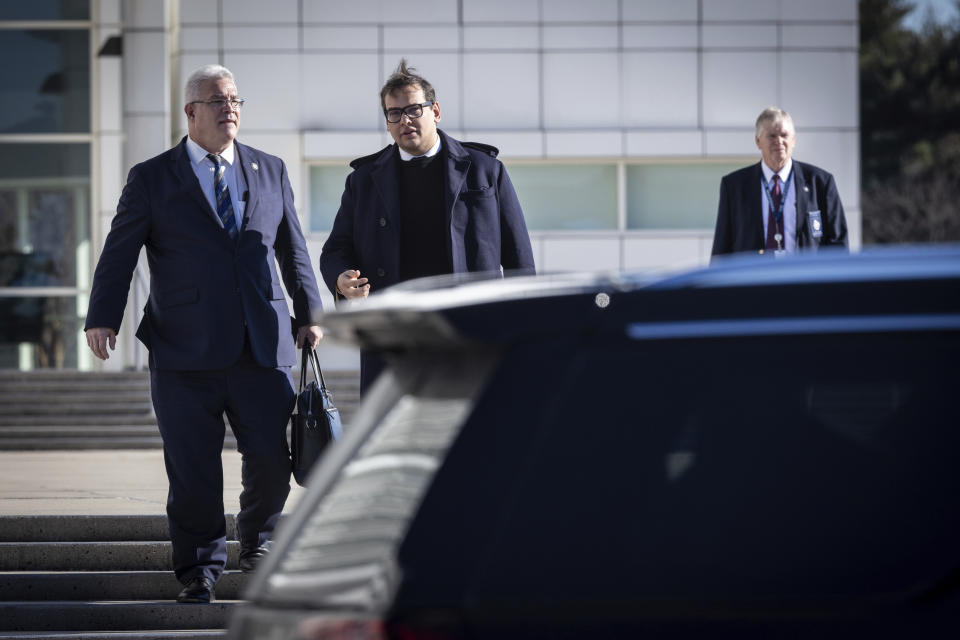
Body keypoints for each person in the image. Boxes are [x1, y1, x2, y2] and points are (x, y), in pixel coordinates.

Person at [84, 64, 324, 604]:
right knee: (191, 466)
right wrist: (102, 315)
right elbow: (119, 252)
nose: (230, 108)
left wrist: (309, 311)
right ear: (190, 112)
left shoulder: (270, 168)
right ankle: (198, 569)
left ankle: (258, 543)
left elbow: (292, 248)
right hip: (182, 349)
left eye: (236, 99)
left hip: (262, 343)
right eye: (218, 100)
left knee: (269, 456)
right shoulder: (152, 177)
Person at [319, 59, 535, 391]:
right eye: (394, 113)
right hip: (394, 334)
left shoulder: (484, 170)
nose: (404, 119)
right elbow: (336, 248)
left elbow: (519, 256)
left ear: (435, 111)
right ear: (388, 124)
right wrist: (342, 278)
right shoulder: (363, 180)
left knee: (476, 431)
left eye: (413, 109)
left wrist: (524, 327)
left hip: (469, 330)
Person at [711, 106, 848, 257]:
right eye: (772, 136)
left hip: (805, 278)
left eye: (784, 135)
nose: (779, 141)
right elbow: (722, 249)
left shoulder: (820, 183)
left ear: (793, 140)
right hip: (753, 279)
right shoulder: (734, 186)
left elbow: (838, 244)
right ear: (758, 141)